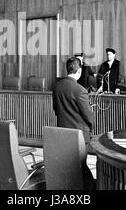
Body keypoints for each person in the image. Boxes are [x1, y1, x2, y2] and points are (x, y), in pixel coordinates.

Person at [52, 57, 95, 190]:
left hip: (63, 133)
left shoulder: (57, 86)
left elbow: (56, 109)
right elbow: (88, 116)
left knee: (71, 165)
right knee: (81, 166)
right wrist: (91, 127)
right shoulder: (80, 89)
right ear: (79, 71)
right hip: (80, 135)